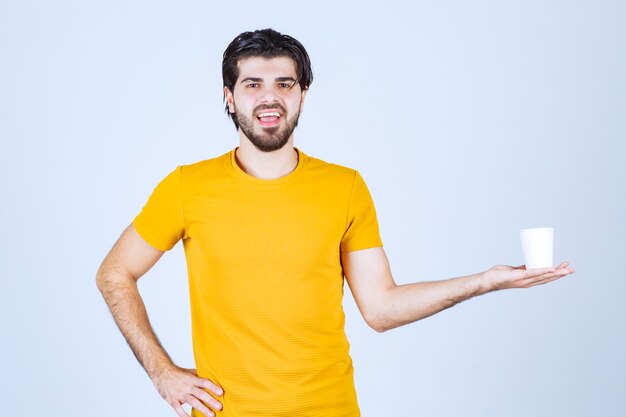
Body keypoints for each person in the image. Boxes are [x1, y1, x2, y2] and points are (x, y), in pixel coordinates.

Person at [96, 28, 575, 417]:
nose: (270, 97)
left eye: (285, 84)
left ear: (303, 95)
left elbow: (381, 308)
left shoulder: (344, 187)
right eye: (253, 84)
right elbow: (115, 273)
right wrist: (162, 372)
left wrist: (486, 281)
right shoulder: (187, 187)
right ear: (229, 97)